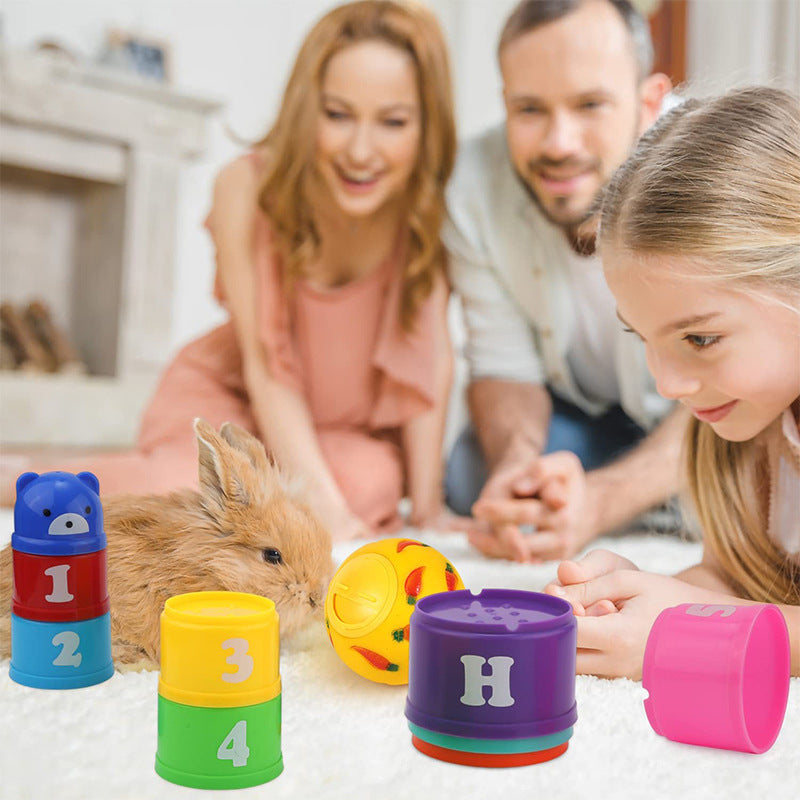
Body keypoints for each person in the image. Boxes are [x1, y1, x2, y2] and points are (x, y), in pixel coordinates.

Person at [11, 1, 457, 542]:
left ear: (426, 126)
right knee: (197, 493)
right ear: (305, 108)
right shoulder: (245, 188)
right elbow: (267, 367)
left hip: (341, 428)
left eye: (393, 122)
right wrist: (323, 506)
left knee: (370, 483)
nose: (361, 151)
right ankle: (22, 476)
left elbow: (427, 366)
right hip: (236, 395)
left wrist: (431, 512)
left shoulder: (427, 211)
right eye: (337, 114)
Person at [544, 86, 800, 678]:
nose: (667, 386)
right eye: (642, 338)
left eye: (699, 339)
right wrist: (638, 597)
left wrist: (694, 627)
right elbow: (736, 578)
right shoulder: (756, 423)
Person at [443, 0, 683, 563]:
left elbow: (737, 382)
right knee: (472, 472)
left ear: (649, 103)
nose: (559, 143)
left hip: (711, 414)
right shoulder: (472, 185)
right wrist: (518, 471)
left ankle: (664, 498)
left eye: (590, 105)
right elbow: (503, 367)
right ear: (505, 106)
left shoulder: (713, 168)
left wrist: (601, 502)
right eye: (530, 110)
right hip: (579, 415)